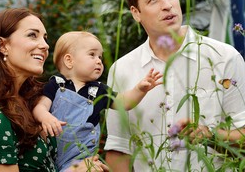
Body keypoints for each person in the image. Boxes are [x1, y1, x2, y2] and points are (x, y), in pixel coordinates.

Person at [104, 0, 245, 171]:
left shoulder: (224, 57)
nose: (167, 5)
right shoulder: (122, 69)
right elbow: (119, 149)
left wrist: (211, 136)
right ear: (136, 13)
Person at [0, 8, 109, 172]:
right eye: (32, 35)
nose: (45, 45)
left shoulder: (37, 104)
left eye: (45, 38)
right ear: (3, 46)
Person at [32, 31, 163, 171]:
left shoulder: (99, 90)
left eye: (100, 56)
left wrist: (139, 89)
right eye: (92, 55)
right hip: (50, 153)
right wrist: (45, 117)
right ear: (69, 60)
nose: (99, 60)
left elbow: (124, 103)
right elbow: (39, 107)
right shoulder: (56, 84)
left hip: (81, 158)